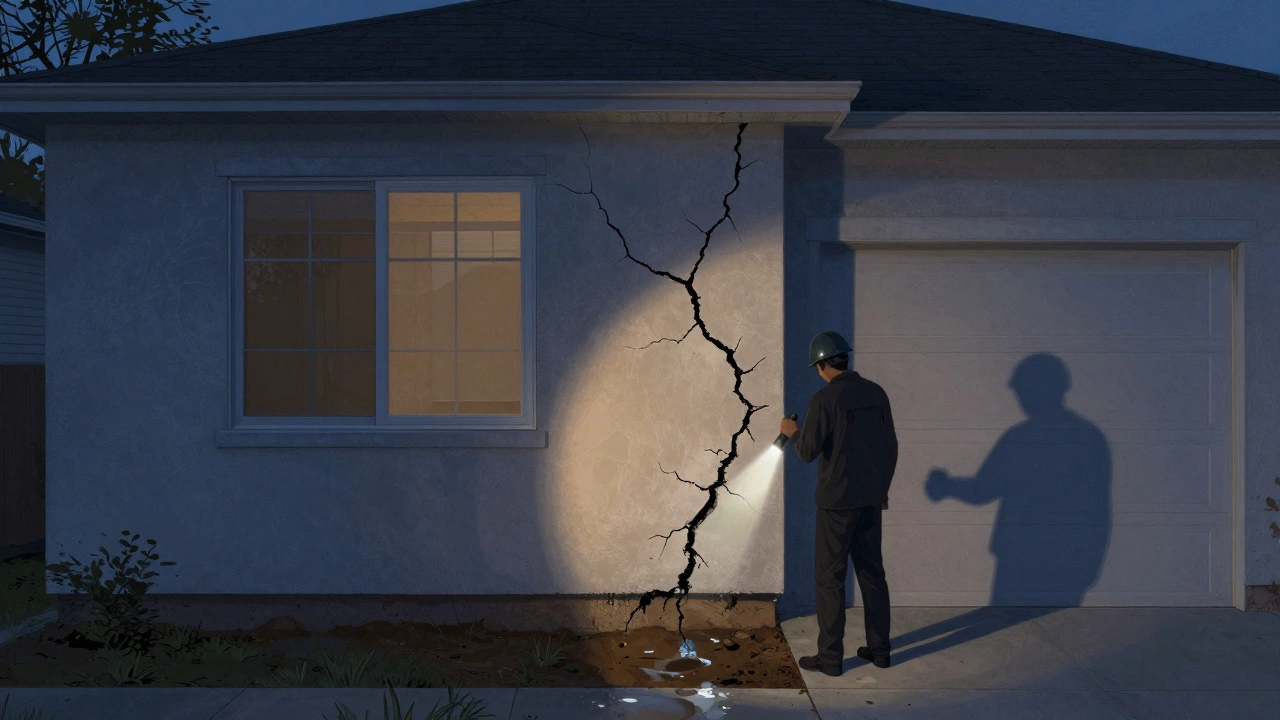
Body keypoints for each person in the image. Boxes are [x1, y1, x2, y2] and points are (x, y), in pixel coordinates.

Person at [778, 330, 898, 675]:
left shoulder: (824, 400)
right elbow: (891, 446)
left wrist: (790, 431)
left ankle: (830, 659)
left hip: (836, 505)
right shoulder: (876, 393)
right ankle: (880, 650)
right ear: (845, 359)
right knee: (873, 574)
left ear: (821, 366)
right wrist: (881, 490)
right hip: (870, 501)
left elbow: (806, 452)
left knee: (830, 579)